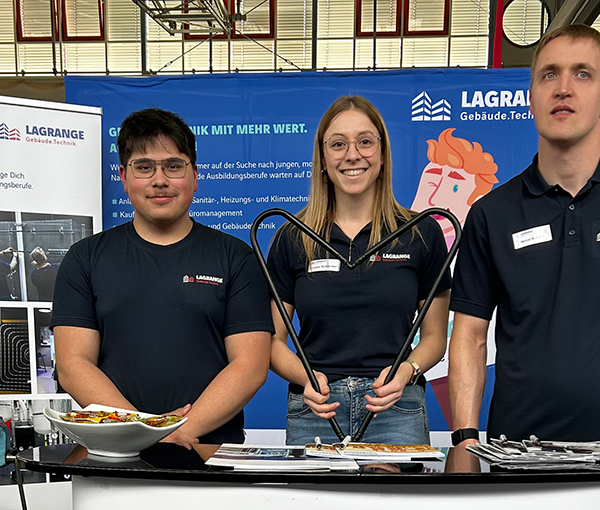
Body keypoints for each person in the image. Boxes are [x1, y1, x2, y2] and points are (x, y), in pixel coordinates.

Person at [51, 108, 273, 446]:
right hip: (112, 452)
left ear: (195, 176)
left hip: (210, 450)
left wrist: (181, 432)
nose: (159, 180)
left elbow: (251, 365)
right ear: (124, 178)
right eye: (144, 167)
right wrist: (139, 432)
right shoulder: (85, 259)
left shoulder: (235, 257)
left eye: (173, 166)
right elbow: (72, 364)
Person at [267, 96, 451, 445]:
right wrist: (305, 378)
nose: (353, 155)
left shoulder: (421, 233)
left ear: (382, 154)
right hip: (317, 410)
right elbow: (272, 340)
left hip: (397, 407)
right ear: (323, 158)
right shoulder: (292, 238)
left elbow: (434, 338)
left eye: (365, 141)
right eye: (338, 144)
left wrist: (406, 372)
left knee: (393, 502)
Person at [448, 24, 600, 445]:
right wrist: (464, 437)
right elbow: (469, 335)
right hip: (518, 451)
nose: (564, 88)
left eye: (583, 73)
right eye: (549, 74)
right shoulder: (490, 214)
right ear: (531, 96)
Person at [411, 128, 498, 249]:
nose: (434, 200)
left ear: (477, 200)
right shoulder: (395, 245)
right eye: (431, 184)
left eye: (455, 188)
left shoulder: (478, 252)